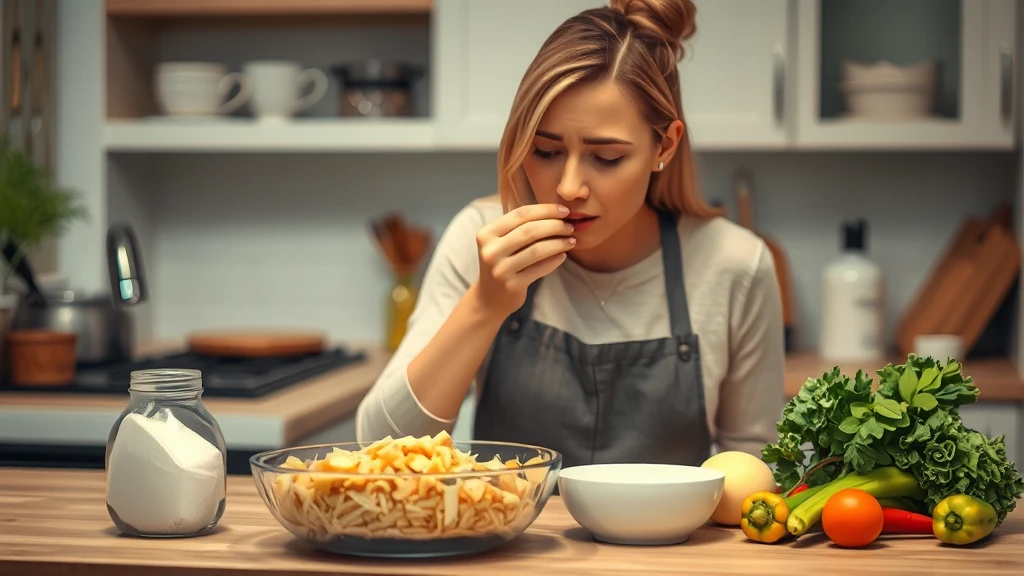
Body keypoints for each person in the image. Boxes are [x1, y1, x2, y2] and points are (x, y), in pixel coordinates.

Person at [355, 0, 785, 468]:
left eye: (606, 158)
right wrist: (484, 306)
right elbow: (378, 447)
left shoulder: (737, 265)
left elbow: (756, 466)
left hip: (668, 542)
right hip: (511, 540)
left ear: (665, 144)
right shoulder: (482, 238)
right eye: (545, 150)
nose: (568, 187)